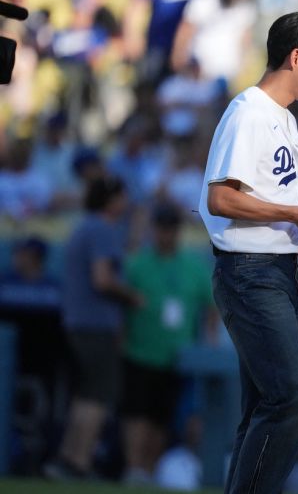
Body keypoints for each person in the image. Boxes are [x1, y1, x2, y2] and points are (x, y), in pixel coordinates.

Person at [197, 11, 298, 494]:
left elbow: (272, 200)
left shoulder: (282, 117)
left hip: (279, 270)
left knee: (263, 409)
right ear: (295, 56)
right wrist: (297, 215)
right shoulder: (249, 111)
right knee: (292, 402)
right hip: (249, 271)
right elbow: (222, 198)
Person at [43, 175, 141, 480]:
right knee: (98, 394)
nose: (126, 204)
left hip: (77, 322)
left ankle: (68, 459)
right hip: (95, 324)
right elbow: (102, 279)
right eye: (122, 197)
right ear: (111, 199)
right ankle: (80, 462)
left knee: (85, 394)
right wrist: (133, 296)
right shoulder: (102, 228)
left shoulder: (84, 226)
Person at [121, 202, 217, 485]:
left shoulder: (192, 266)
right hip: (140, 350)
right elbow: (122, 306)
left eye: (171, 229)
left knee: (161, 417)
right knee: (136, 413)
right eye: (162, 228)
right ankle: (133, 467)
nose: (167, 234)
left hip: (175, 355)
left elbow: (210, 306)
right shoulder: (139, 263)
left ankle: (148, 470)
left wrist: (210, 342)